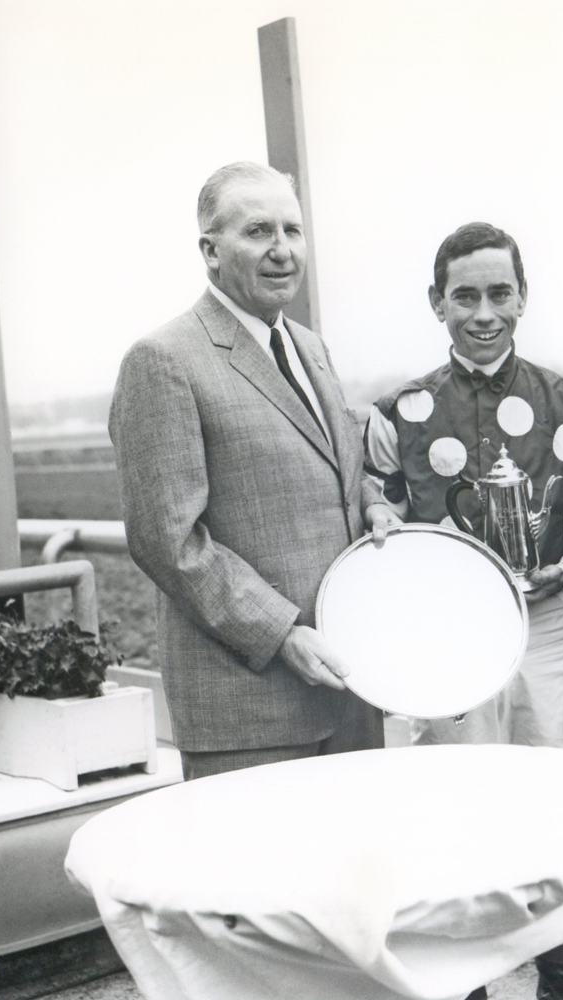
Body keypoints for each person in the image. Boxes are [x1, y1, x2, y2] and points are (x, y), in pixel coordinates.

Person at [364, 222, 563, 1000]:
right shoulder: (398, 414)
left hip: (541, 630)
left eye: (499, 293)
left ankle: (560, 989)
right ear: (436, 302)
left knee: (555, 815)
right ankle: (464, 990)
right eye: (465, 295)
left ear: (523, 297)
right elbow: (375, 529)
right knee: (447, 821)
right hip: (441, 642)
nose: (484, 312)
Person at [109, 162, 383, 780]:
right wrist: (284, 633)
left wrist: (372, 501)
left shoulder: (310, 346)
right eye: (259, 231)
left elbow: (334, 470)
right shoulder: (163, 360)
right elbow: (168, 539)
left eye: (293, 229)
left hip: (349, 693)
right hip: (250, 710)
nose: (282, 250)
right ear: (210, 249)